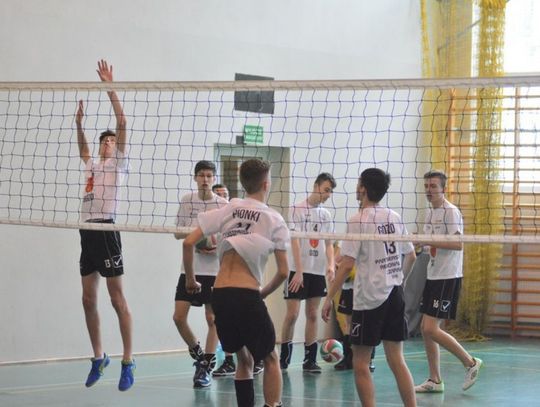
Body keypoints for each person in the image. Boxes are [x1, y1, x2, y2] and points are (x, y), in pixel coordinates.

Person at [183, 158, 290, 407]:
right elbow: (284, 272)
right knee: (270, 358)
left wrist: (190, 280)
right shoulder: (274, 219)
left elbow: (188, 242)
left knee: (243, 359)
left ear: (243, 184)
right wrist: (262, 294)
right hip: (246, 294)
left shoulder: (229, 208)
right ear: (266, 184)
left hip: (220, 294)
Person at [322, 168, 417, 407]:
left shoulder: (358, 220)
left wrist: (328, 297)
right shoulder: (394, 216)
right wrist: (399, 280)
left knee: (361, 363)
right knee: (397, 360)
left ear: (363, 188)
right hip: (394, 294)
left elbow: (346, 265)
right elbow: (412, 256)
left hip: (370, 299)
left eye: (358, 183)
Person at [75, 59, 135, 391]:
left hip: (107, 230)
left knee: (117, 299)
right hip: (87, 232)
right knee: (87, 300)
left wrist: (110, 87)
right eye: (105, 141)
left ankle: (128, 360)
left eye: (112, 141)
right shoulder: (92, 166)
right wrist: (79, 124)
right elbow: (84, 149)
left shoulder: (118, 166)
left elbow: (122, 121)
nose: (108, 143)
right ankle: (99, 357)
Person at [414, 170, 483, 393]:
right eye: (426, 186)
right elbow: (430, 245)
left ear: (443, 188)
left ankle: (470, 362)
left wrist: (427, 241)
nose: (429, 190)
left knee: (429, 328)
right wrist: (418, 244)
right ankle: (435, 380)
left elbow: (457, 244)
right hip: (433, 274)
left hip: (447, 277)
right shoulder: (430, 213)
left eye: (433, 186)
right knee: (426, 329)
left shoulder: (450, 211)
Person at [173, 161, 228, 388]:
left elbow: (229, 237)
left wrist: (215, 245)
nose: (205, 179)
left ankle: (207, 365)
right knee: (178, 317)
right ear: (195, 178)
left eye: (209, 176)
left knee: (213, 318)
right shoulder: (187, 201)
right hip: (190, 268)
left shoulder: (223, 204)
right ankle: (198, 352)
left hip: (214, 270)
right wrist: (197, 241)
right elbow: (177, 233)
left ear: (214, 178)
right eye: (201, 175)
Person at [280, 173, 336, 373]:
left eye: (330, 191)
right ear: (316, 186)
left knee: (312, 314)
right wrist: (299, 271)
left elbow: (329, 243)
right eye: (326, 189)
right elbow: (294, 240)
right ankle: (284, 358)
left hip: (317, 270)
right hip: (296, 270)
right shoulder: (296, 209)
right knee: (292, 314)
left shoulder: (326, 215)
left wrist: (331, 265)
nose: (328, 194)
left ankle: (310, 360)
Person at [210, 183, 265, 378]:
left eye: (225, 195)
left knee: (246, 328)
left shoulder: (245, 217)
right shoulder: (221, 217)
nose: (222, 199)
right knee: (223, 324)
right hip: (222, 281)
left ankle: (255, 359)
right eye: (218, 195)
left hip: (242, 284)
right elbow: (190, 241)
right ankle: (228, 360)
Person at [333, 242, 376, 372]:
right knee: (348, 323)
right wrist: (338, 267)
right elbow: (335, 261)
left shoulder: (370, 240)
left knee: (367, 322)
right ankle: (348, 357)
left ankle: (369, 359)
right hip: (349, 287)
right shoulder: (345, 241)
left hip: (365, 286)